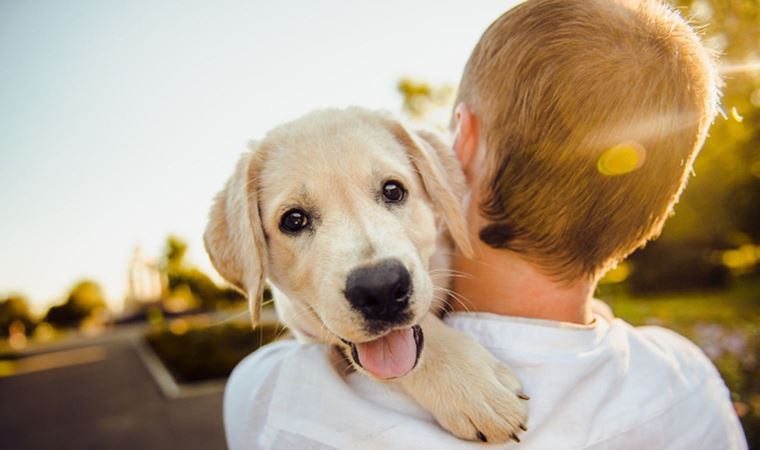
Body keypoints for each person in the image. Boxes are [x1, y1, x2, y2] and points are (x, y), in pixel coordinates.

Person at [224, 0, 748, 448]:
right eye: (296, 219)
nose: (374, 266)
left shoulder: (272, 398)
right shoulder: (689, 383)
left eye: (391, 191)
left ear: (460, 146)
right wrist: (431, 356)